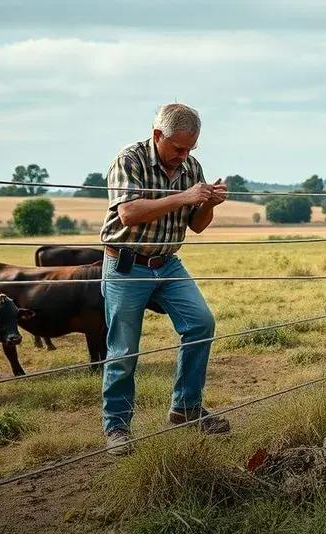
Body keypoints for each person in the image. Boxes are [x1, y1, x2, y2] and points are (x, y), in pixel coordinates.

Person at [99, 103, 229, 455]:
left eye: (190, 149)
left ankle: (186, 407)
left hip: (167, 262)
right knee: (124, 349)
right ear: (158, 135)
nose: (183, 156)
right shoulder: (130, 160)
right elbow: (128, 213)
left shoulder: (191, 167)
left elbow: (196, 226)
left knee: (201, 323)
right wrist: (185, 196)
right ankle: (117, 427)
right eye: (178, 148)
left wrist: (210, 203)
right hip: (127, 263)